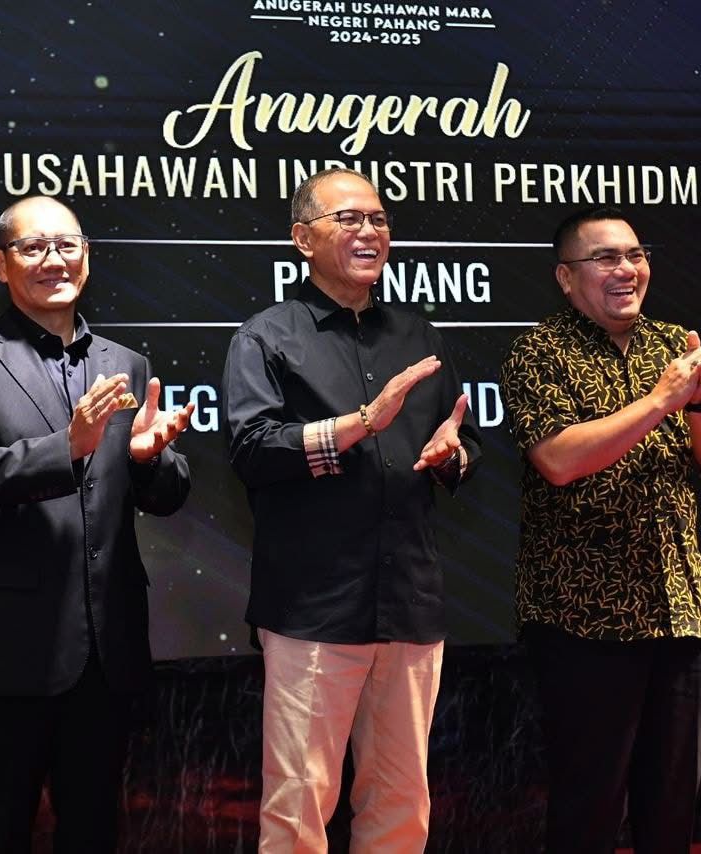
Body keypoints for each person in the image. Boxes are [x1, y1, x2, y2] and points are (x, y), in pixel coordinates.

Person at [0, 195, 193, 853]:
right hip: (10, 651)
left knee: (95, 828)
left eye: (67, 245)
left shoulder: (126, 364)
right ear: (1, 263)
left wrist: (149, 459)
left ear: (87, 257)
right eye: (33, 247)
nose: (54, 260)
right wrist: (65, 448)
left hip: (107, 652)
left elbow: (164, 495)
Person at [223, 167, 482, 853]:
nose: (370, 231)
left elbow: (464, 445)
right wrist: (360, 424)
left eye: (379, 219)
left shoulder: (420, 336)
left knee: (402, 803)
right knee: (298, 808)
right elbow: (252, 450)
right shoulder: (266, 337)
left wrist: (452, 455)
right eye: (349, 219)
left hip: (409, 602)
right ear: (302, 238)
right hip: (312, 607)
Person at [499, 206, 701, 853]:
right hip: (583, 616)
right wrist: (661, 400)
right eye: (606, 258)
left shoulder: (672, 345)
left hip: (680, 608)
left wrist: (697, 401)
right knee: (590, 806)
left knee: (673, 806)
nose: (627, 269)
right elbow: (558, 460)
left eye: (636, 255)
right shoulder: (539, 353)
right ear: (566, 277)